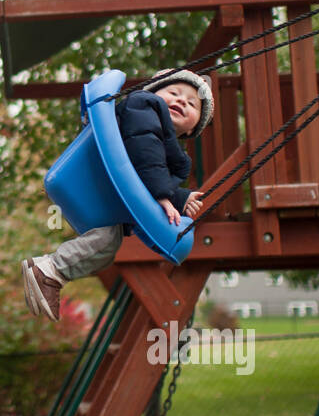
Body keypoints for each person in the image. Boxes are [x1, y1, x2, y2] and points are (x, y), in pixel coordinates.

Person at [21, 69, 214, 322]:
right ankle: (49, 269)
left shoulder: (170, 154)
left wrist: (180, 199)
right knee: (107, 242)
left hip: (104, 200)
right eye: (174, 93)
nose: (180, 101)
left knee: (106, 247)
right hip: (88, 178)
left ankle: (50, 272)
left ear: (193, 128)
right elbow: (145, 152)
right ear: (155, 92)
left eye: (191, 103)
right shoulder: (145, 107)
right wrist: (165, 198)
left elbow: (146, 174)